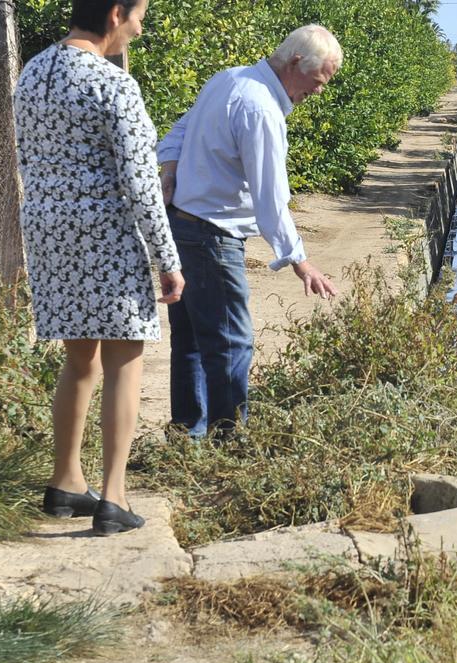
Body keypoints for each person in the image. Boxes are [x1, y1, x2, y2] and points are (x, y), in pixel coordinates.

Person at [14, 0, 184, 535]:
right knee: (124, 360)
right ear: (116, 13)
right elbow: (140, 183)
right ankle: (113, 496)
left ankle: (65, 481)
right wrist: (167, 259)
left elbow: (28, 157)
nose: (139, 28)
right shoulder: (114, 85)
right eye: (139, 16)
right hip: (107, 238)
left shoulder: (34, 71)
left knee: (79, 360)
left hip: (49, 235)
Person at [157, 24, 341, 438]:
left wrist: (170, 167)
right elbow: (270, 198)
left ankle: (187, 432)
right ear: (295, 63)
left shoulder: (228, 79)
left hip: (182, 225)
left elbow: (178, 130)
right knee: (230, 341)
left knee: (189, 340)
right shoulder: (260, 108)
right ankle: (229, 438)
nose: (319, 91)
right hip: (212, 236)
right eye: (317, 81)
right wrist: (300, 260)